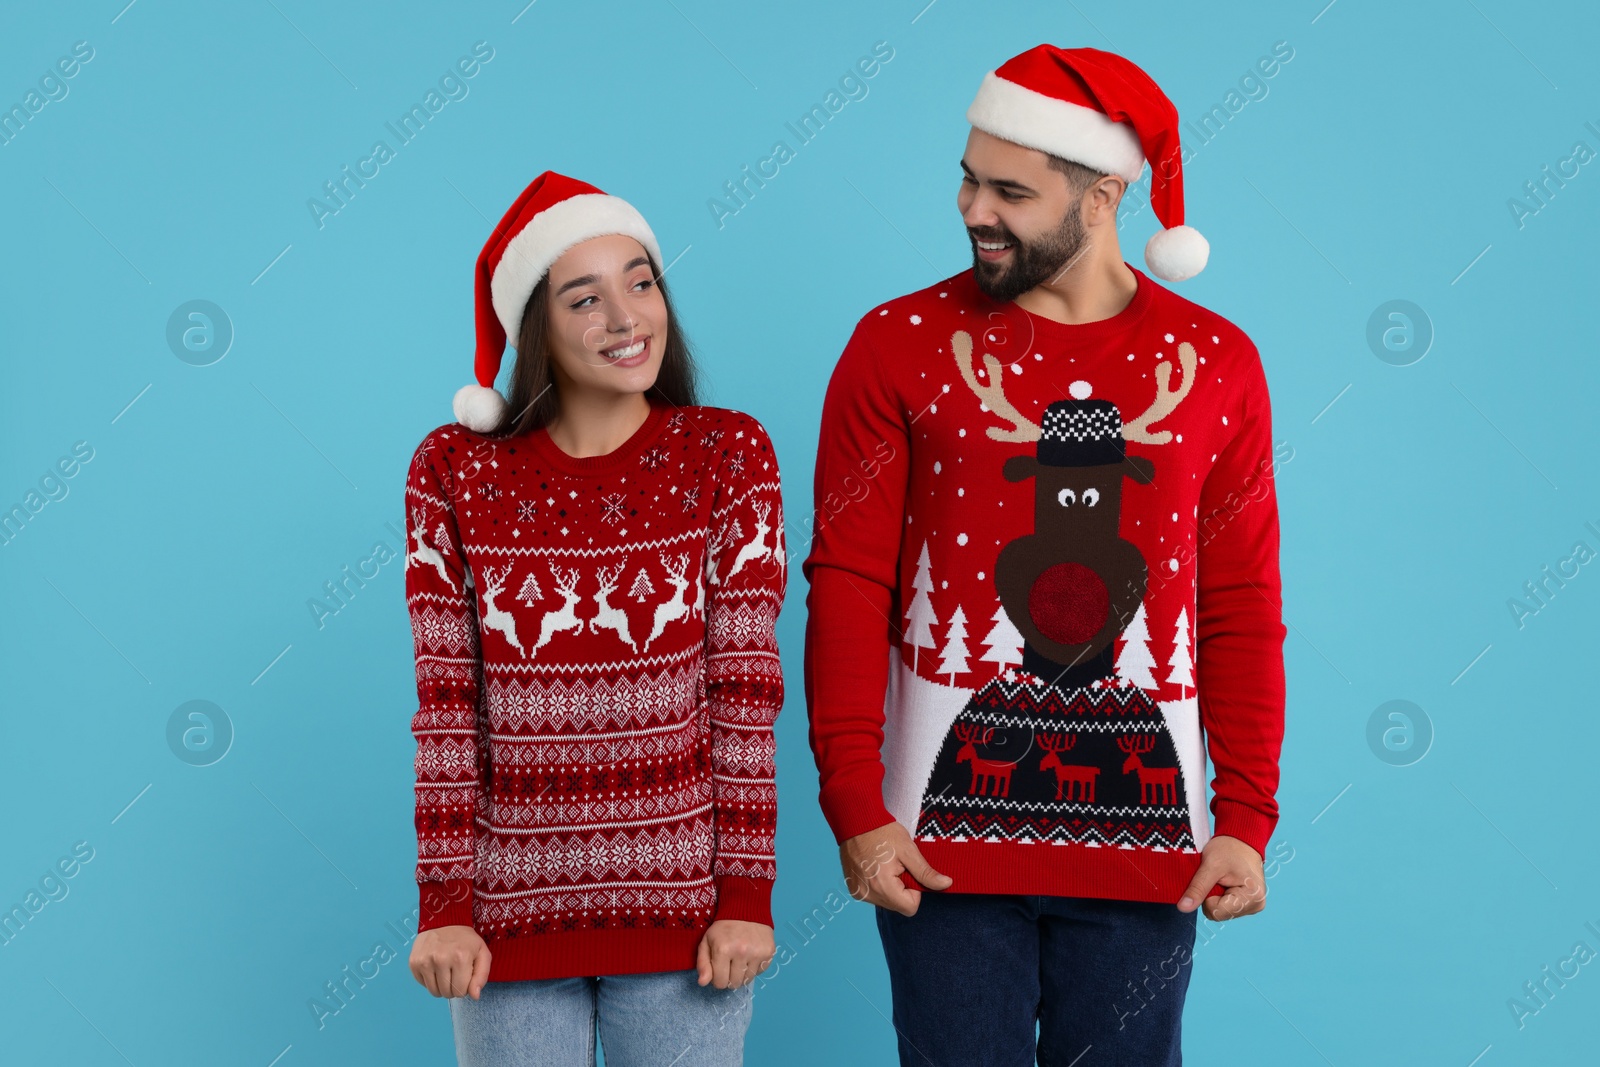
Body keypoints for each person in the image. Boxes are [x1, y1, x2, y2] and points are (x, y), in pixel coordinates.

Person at [802, 45, 1288, 1066]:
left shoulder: (1219, 365)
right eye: (969, 176)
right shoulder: (894, 344)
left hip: (1152, 848)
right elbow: (850, 582)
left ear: (1103, 194)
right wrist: (853, 801)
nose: (974, 206)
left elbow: (1237, 603)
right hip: (934, 850)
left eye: (1010, 190)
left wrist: (1244, 815)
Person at [403, 171, 787, 1067]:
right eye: (586, 297)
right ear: (537, 325)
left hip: (686, 922)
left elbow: (743, 690)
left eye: (641, 281)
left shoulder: (728, 455)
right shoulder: (453, 471)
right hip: (505, 929)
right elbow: (446, 705)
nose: (626, 317)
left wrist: (747, 895)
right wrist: (444, 907)